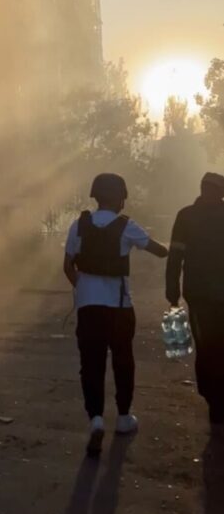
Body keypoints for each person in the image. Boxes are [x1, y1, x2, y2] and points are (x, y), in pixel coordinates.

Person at [64, 173, 168, 456]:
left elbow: (68, 265)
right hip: (119, 309)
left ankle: (96, 419)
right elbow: (159, 251)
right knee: (123, 361)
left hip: (88, 308)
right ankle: (123, 418)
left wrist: (83, 288)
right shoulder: (126, 226)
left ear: (96, 196)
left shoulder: (79, 225)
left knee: (91, 364)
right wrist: (176, 247)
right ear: (120, 197)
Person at [166, 172, 224, 426]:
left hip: (198, 292)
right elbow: (176, 255)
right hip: (202, 293)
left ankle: (213, 397)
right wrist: (171, 287)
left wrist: (172, 288)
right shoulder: (187, 216)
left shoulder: (186, 215)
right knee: (211, 346)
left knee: (208, 347)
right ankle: (216, 399)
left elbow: (175, 256)